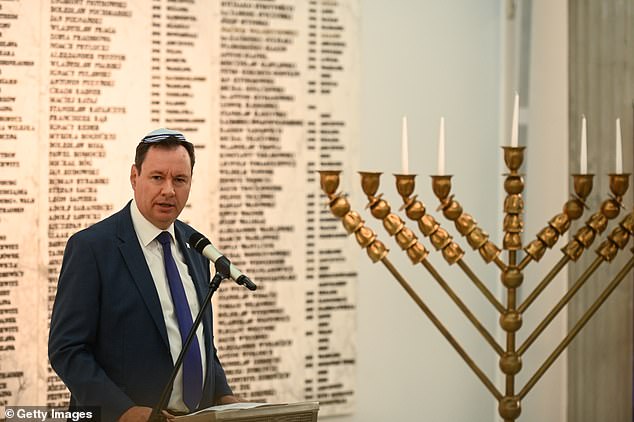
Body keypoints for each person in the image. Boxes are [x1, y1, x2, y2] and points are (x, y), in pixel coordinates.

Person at [49, 128, 238, 422]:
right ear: (134, 177)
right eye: (157, 177)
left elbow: (199, 339)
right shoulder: (92, 248)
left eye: (179, 179)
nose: (168, 190)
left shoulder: (196, 246)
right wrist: (123, 410)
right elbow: (67, 349)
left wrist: (224, 395)